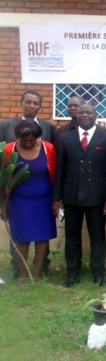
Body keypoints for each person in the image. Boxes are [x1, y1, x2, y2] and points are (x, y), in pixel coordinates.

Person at [53, 103, 106, 287]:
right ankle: (72, 272)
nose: (85, 115)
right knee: (72, 236)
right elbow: (60, 170)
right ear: (75, 115)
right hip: (71, 195)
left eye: (89, 112)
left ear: (96, 115)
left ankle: (98, 272)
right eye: (81, 112)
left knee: (97, 236)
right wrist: (56, 198)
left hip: (97, 196)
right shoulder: (66, 138)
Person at [0, 90, 57, 277]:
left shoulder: (48, 148)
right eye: (24, 141)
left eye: (32, 141)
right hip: (19, 201)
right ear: (18, 139)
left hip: (43, 200)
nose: (28, 144)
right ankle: (24, 274)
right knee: (21, 237)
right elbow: (4, 175)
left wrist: (57, 200)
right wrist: (3, 203)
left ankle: (38, 272)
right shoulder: (9, 149)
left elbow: (54, 172)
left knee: (42, 237)